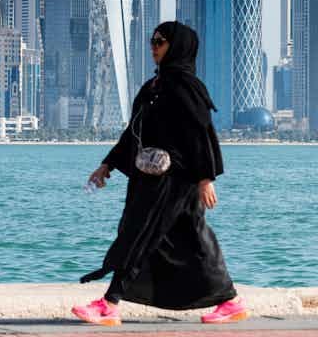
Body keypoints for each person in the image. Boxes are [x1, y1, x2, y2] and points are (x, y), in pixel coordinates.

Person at [71, 21, 248, 326]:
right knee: (192, 238)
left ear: (177, 46)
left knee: (139, 232)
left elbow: (201, 134)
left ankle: (109, 304)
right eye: (152, 41)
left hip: (176, 179)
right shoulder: (154, 86)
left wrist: (206, 179)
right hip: (151, 177)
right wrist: (108, 164)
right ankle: (230, 301)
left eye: (160, 41)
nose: (154, 46)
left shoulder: (186, 86)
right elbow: (134, 132)